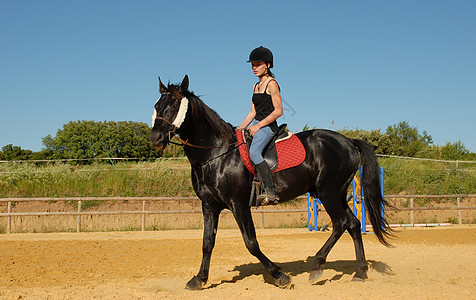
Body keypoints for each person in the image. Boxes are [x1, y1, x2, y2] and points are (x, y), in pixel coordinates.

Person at [238, 46, 283, 205]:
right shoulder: (255, 86)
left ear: (268, 65)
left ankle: (270, 193)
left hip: (268, 126)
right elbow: (252, 113)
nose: (254, 68)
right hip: (256, 123)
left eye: (258, 64)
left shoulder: (272, 84)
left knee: (255, 152)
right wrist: (239, 129)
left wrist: (257, 127)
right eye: (253, 65)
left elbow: (278, 111)